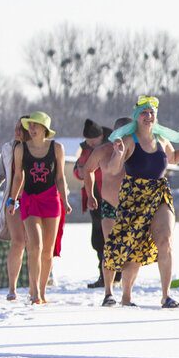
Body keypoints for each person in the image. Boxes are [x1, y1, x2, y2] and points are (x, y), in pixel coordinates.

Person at [103, 96, 179, 308]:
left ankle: (166, 295)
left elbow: (173, 158)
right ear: (136, 116)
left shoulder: (161, 140)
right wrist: (118, 154)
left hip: (159, 193)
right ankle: (126, 295)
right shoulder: (129, 140)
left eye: (152, 113)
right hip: (134, 197)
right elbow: (112, 169)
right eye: (144, 113)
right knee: (133, 251)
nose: (149, 117)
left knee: (165, 241)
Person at [7, 111, 72, 304]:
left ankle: (42, 293)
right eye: (30, 126)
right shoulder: (21, 149)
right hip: (30, 199)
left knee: (47, 250)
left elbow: (60, 177)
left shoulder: (57, 148)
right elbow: (19, 177)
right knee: (35, 244)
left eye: (35, 125)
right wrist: (12, 201)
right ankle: (33, 291)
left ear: (44, 128)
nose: (31, 129)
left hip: (51, 199)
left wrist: (65, 201)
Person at [0, 115, 31, 300]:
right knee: (18, 241)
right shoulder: (9, 149)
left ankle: (37, 288)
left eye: (21, 128)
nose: (16, 131)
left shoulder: (38, 149)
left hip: (36, 200)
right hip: (14, 201)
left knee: (36, 244)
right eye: (16, 127)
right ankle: (12, 288)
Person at [84, 117, 133, 306]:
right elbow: (87, 170)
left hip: (133, 207)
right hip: (110, 204)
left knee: (131, 250)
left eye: (128, 133)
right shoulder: (102, 151)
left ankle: (127, 294)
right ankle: (108, 292)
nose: (123, 137)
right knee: (110, 246)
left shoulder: (138, 151)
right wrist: (90, 194)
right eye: (119, 133)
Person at [73, 118, 113, 289]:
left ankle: (115, 274)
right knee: (97, 240)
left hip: (110, 196)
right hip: (93, 197)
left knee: (110, 238)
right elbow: (78, 171)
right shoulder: (85, 150)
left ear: (101, 136)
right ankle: (104, 274)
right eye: (88, 141)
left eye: (93, 140)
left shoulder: (110, 147)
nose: (90, 143)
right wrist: (80, 172)